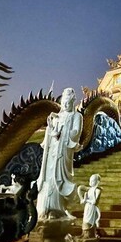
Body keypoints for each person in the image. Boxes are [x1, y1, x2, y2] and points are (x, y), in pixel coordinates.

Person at [36, 88, 83, 219]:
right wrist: (50, 127)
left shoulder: (77, 116)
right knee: (48, 178)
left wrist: (62, 133)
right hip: (52, 152)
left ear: (73, 102)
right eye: (64, 103)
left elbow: (76, 133)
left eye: (68, 103)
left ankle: (57, 210)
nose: (66, 105)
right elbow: (51, 132)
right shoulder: (57, 116)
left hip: (63, 152)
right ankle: (44, 208)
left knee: (59, 179)